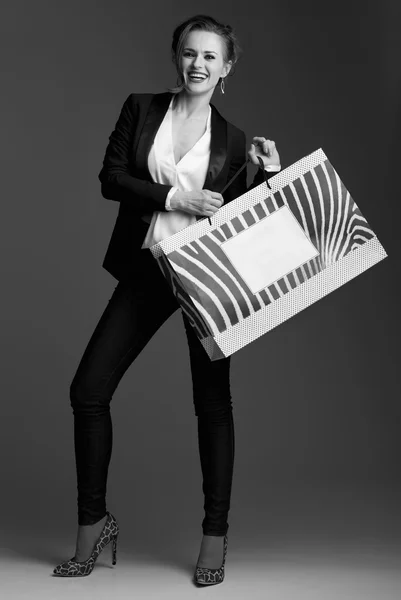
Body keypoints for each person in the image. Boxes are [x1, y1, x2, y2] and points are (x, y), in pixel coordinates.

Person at [53, 14, 281, 585]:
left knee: (212, 404)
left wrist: (267, 176)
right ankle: (92, 526)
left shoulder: (232, 140)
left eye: (210, 56)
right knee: (88, 391)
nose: (197, 64)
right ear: (176, 58)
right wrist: (177, 195)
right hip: (148, 268)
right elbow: (110, 177)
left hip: (205, 277)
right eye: (189, 53)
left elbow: (244, 220)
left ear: (226, 68)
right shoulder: (142, 108)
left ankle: (213, 537)